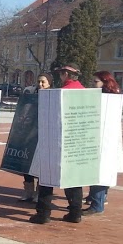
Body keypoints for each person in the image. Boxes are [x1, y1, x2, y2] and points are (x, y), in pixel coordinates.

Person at [30, 63, 85, 224]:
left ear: (65, 74)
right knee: (74, 178)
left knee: (46, 177)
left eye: (61, 74)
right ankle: (75, 212)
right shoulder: (84, 92)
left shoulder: (60, 93)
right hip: (76, 140)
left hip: (55, 140)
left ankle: (43, 213)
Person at [84, 70, 122, 215]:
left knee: (100, 172)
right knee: (98, 171)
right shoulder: (107, 97)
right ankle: (97, 199)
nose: (92, 84)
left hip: (104, 141)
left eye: (96, 82)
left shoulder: (108, 100)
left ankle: (97, 204)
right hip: (100, 139)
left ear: (105, 83)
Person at [18, 73, 52, 202]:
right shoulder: (31, 95)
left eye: (43, 82)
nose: (40, 84)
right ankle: (28, 192)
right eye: (38, 81)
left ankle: (39, 193)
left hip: (43, 135)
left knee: (40, 166)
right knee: (26, 165)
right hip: (28, 133)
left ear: (49, 83)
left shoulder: (52, 96)